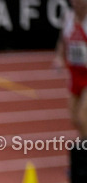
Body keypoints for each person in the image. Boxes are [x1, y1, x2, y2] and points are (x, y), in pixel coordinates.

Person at [55, 0, 87, 139]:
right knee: (74, 119)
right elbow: (62, 41)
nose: (78, 2)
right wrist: (59, 57)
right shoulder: (68, 17)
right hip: (75, 76)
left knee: (83, 116)